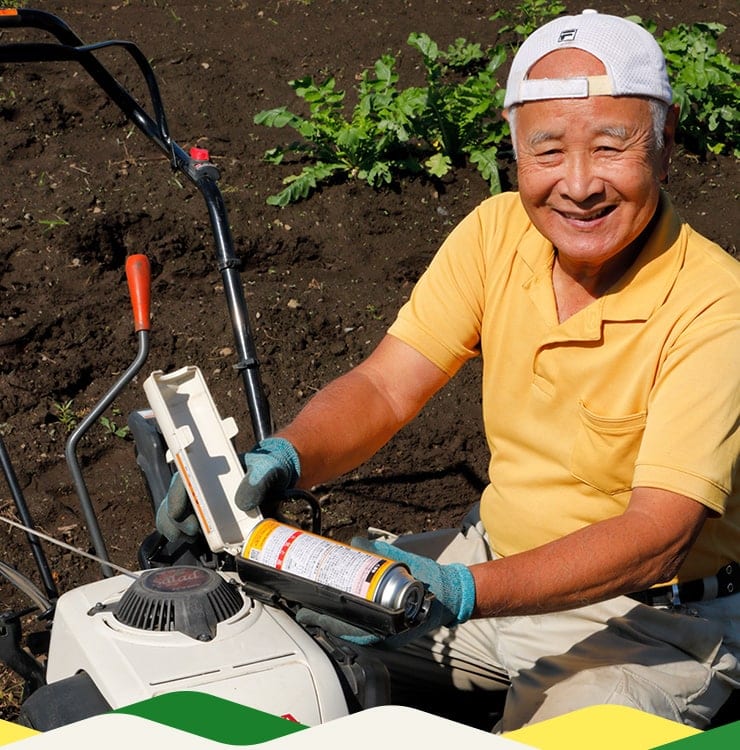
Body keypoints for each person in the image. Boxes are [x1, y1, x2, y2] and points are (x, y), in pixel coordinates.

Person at [158, 10, 740, 731]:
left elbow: (659, 534)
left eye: (611, 148)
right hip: (488, 563)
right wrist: (287, 457)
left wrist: (461, 590)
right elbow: (385, 385)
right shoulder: (498, 232)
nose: (579, 184)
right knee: (268, 649)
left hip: (648, 624)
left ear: (666, 143)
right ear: (515, 147)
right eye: (549, 151)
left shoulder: (715, 306)